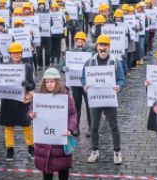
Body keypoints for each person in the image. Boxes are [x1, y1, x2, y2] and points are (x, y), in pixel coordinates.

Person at [82, 34, 126, 164]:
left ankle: (117, 152)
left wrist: (119, 87)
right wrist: (85, 85)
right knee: (94, 126)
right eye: (101, 45)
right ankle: (94, 151)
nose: (103, 48)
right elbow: (83, 77)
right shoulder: (90, 61)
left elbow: (122, 79)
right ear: (97, 47)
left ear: (109, 47)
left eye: (105, 45)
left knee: (113, 126)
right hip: (95, 99)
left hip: (109, 99)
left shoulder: (115, 61)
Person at [29, 68, 78, 180]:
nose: (49, 84)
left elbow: (73, 114)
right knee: (46, 171)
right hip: (44, 142)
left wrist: (70, 129)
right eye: (47, 82)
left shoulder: (65, 96)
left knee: (63, 169)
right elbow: (32, 110)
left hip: (60, 140)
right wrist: (31, 114)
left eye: (52, 81)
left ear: (57, 82)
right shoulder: (39, 96)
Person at [0, 41, 36, 161]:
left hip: (22, 101)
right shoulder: (3, 67)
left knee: (27, 125)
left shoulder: (28, 67)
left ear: (21, 54)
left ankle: (31, 148)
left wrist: (28, 85)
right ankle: (9, 149)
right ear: (10, 54)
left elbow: (33, 85)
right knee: (9, 126)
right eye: (13, 53)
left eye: (18, 53)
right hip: (8, 101)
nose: (16, 55)